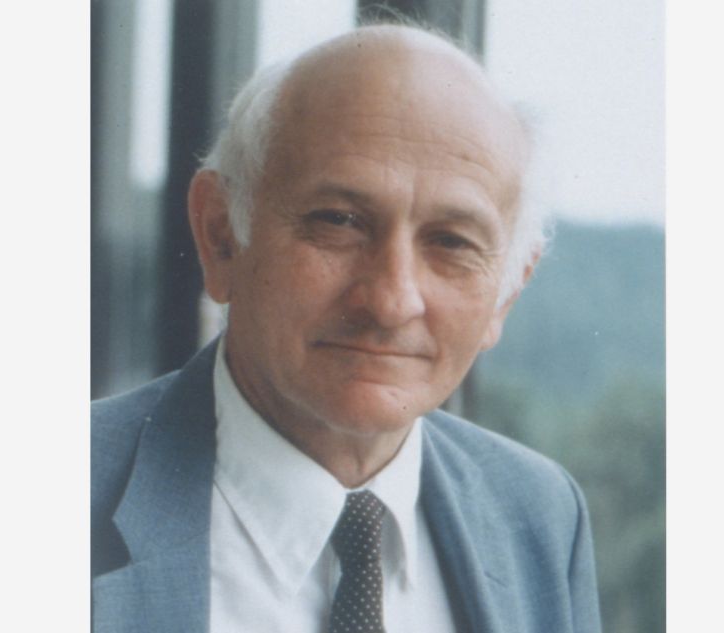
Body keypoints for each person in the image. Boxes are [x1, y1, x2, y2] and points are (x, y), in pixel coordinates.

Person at [90, 25, 601, 633]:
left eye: (450, 242)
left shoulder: (540, 514)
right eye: (340, 221)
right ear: (221, 236)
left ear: (507, 293)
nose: (391, 300)